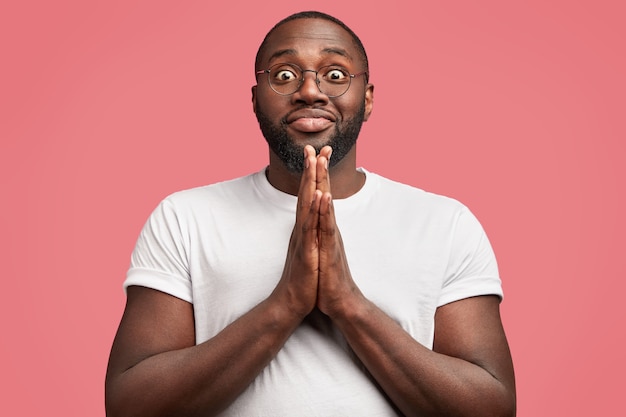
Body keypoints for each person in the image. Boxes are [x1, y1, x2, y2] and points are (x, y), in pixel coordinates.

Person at [105, 10, 516, 417]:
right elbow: (130, 405)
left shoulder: (443, 223)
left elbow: (492, 408)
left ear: (368, 99)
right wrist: (285, 303)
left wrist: (347, 303)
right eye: (284, 75)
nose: (309, 91)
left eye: (335, 74)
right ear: (254, 99)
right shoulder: (184, 218)